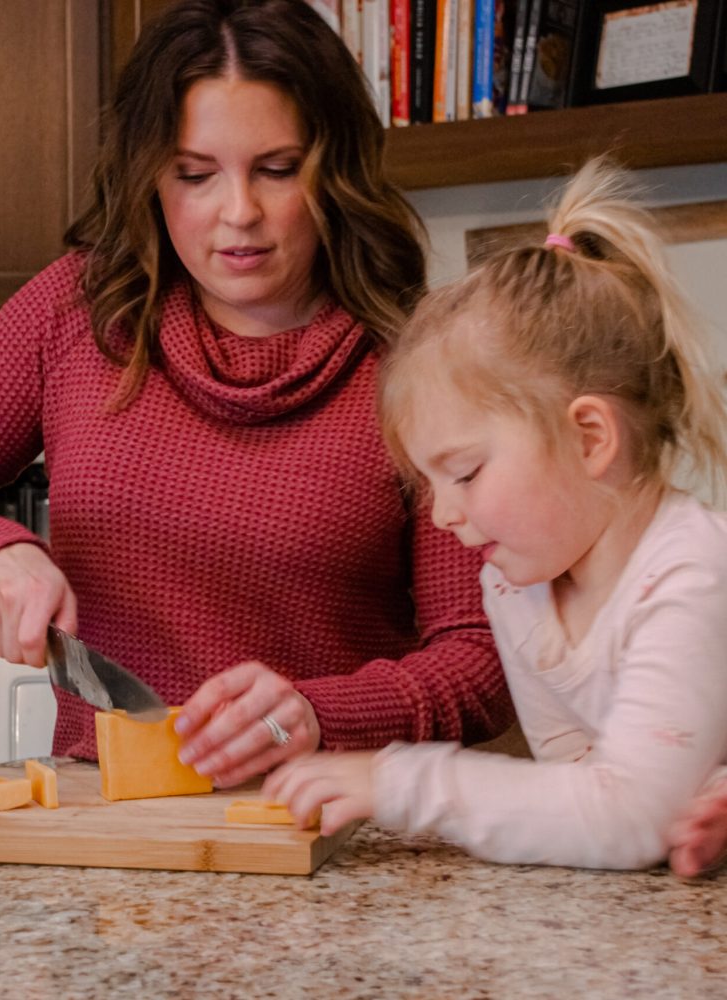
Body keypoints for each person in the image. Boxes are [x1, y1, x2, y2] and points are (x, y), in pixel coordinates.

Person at [0, 0, 513, 789]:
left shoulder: (415, 362)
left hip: (324, 826)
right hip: (110, 824)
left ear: (337, 168)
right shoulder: (74, 314)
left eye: (278, 168)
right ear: (151, 177)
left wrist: (320, 714)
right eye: (196, 175)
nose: (239, 213)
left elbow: (478, 666)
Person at [265, 158, 727, 873]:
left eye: (466, 473)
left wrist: (402, 781)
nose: (444, 514)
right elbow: (582, 788)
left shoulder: (691, 573)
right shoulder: (516, 586)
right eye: (427, 482)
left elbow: (627, 818)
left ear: (590, 438)